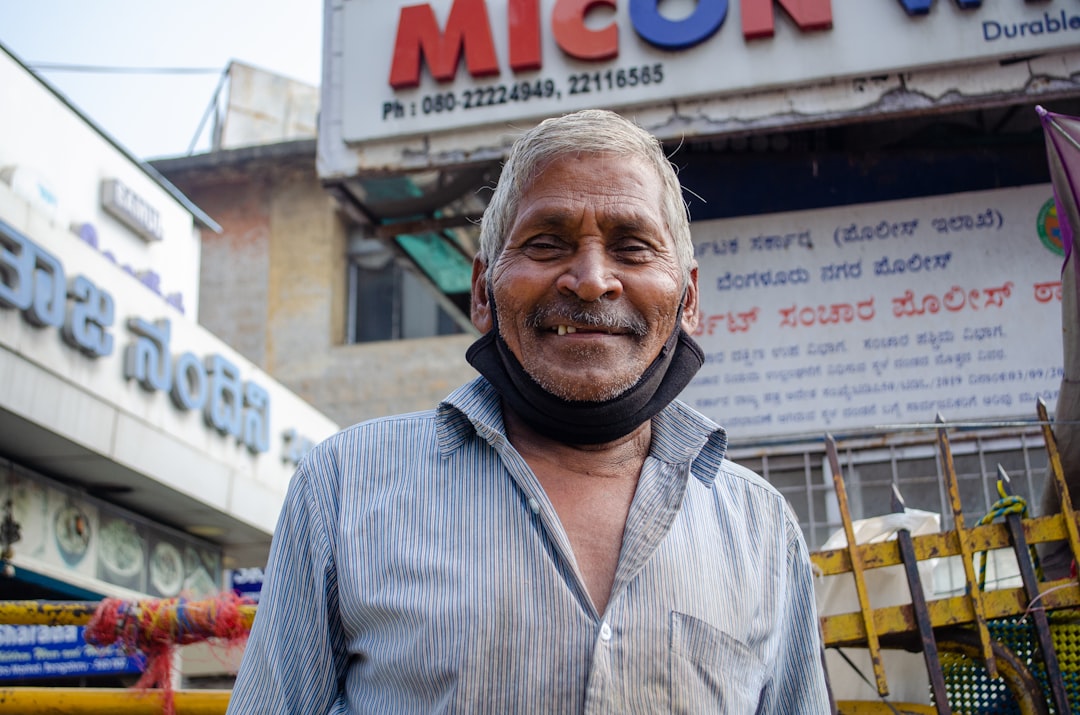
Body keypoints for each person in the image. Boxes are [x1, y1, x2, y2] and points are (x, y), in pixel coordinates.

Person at [226, 108, 831, 713]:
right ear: (483, 293)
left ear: (689, 298)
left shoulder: (762, 529)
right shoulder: (344, 486)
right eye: (546, 243)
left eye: (632, 246)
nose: (592, 281)